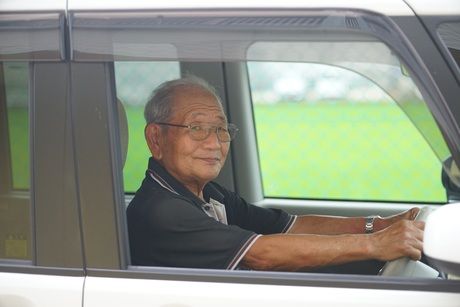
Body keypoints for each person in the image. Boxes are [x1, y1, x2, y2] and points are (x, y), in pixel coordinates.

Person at [127, 75, 424, 272]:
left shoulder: (208, 193)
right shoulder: (161, 210)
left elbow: (291, 226)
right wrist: (375, 245)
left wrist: (379, 225)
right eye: (197, 128)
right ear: (156, 139)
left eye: (220, 129)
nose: (215, 142)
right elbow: (261, 253)